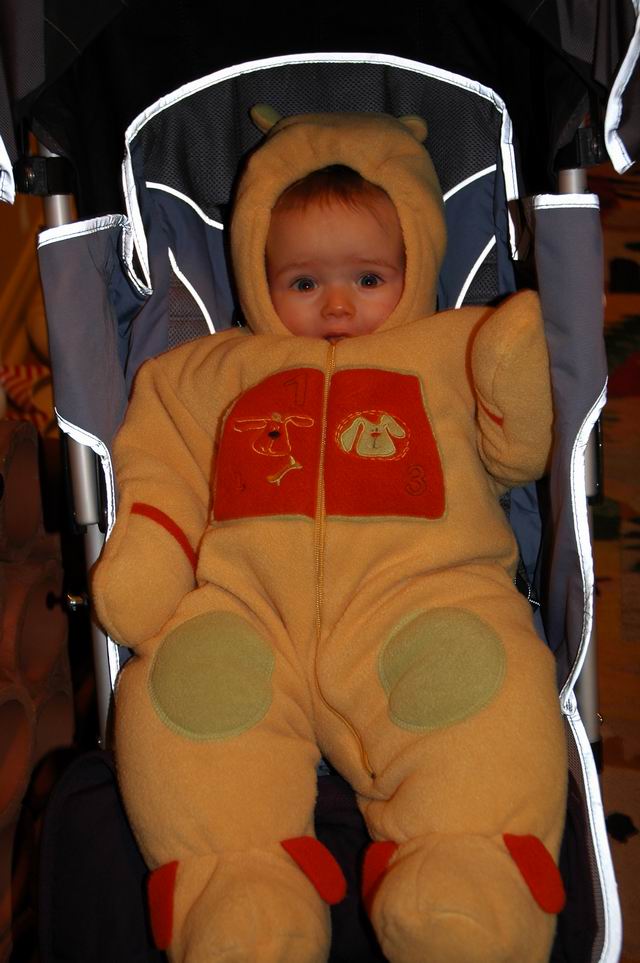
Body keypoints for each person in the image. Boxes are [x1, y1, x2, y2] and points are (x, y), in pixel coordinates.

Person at [92, 109, 568, 963]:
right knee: (182, 696)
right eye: (304, 282)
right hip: (248, 611)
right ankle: (239, 887)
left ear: (415, 264)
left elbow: (516, 452)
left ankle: (466, 871)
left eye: (369, 277)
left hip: (422, 603)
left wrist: (511, 371)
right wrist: (153, 548)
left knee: (487, 694)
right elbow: (161, 463)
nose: (338, 304)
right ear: (256, 271)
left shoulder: (452, 348)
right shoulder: (210, 371)